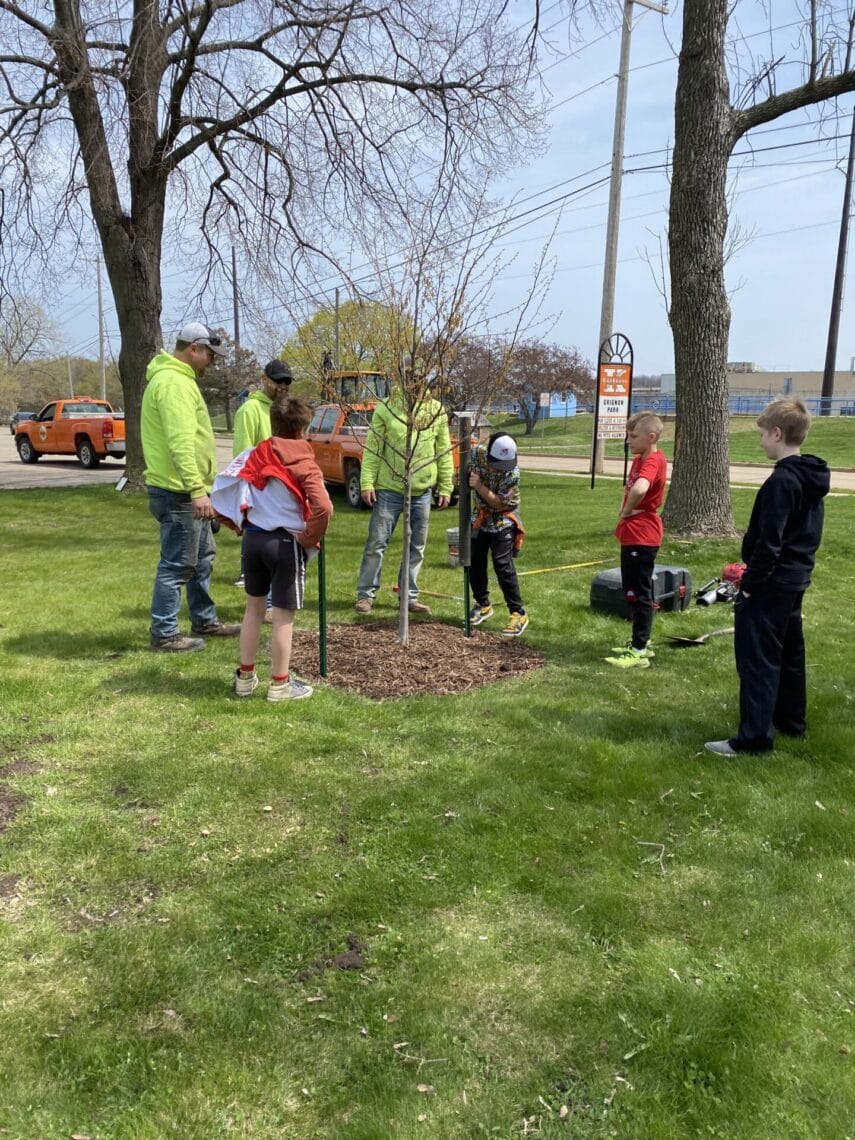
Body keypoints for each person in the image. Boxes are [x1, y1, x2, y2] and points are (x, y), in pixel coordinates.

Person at [705, 398, 829, 756]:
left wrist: (750, 587)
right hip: (795, 579)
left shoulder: (783, 482)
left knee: (758, 659)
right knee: (789, 651)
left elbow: (769, 544)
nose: (760, 441)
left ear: (777, 433)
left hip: (773, 583)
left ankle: (754, 740)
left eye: (761, 434)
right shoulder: (810, 478)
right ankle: (790, 722)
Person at [212, 394, 333, 701]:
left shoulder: (254, 454)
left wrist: (236, 524)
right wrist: (308, 538)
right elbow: (324, 508)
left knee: (253, 611)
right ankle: (280, 684)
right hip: (283, 543)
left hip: (253, 539)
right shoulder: (305, 463)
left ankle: (245, 677)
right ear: (304, 430)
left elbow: (227, 487)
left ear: (273, 423)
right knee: (282, 616)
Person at [142, 321, 241, 652]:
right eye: (209, 355)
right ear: (193, 349)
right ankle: (165, 634)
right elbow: (181, 442)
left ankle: (205, 619)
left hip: (186, 489)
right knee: (177, 564)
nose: (212, 362)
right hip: (178, 492)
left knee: (202, 558)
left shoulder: (180, 380)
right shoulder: (173, 384)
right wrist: (197, 490)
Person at [354, 381, 453, 614]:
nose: (413, 382)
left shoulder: (436, 411)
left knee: (416, 547)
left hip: (422, 493)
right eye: (408, 376)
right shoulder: (386, 410)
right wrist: (367, 482)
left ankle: (408, 597)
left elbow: (444, 451)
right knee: (376, 543)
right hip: (389, 490)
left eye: (417, 377)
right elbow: (373, 450)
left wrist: (446, 486)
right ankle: (365, 595)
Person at [604, 411, 668, 669]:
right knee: (633, 590)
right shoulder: (641, 458)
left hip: (642, 534)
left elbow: (640, 488)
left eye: (633, 436)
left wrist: (628, 510)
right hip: (634, 533)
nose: (628, 441)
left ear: (651, 437)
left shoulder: (652, 461)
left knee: (638, 592)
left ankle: (639, 650)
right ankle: (640, 641)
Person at [232, 360, 293, 591]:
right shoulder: (250, 410)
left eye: (286, 382)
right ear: (264, 379)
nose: (282, 386)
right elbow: (243, 452)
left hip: (280, 484)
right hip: (259, 483)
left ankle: (271, 575)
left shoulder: (282, 409)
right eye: (278, 381)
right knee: (256, 530)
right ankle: (248, 572)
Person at [467, 433, 528, 637]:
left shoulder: (513, 473)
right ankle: (482, 605)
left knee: (502, 565)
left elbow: (500, 503)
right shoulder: (476, 454)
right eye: (495, 464)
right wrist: (461, 480)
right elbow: (462, 477)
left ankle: (518, 613)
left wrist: (479, 486)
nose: (499, 468)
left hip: (503, 519)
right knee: (474, 560)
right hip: (479, 517)